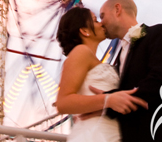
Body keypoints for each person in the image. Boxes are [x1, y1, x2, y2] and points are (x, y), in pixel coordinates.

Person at [98, 0, 162, 142]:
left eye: (102, 16)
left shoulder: (160, 33)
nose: (101, 23)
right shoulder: (121, 54)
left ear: (117, 9)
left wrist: (109, 101)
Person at [56, 7, 147, 142]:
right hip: (95, 135)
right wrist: (108, 100)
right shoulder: (81, 52)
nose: (101, 23)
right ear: (85, 31)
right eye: (95, 20)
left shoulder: (92, 58)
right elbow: (63, 103)